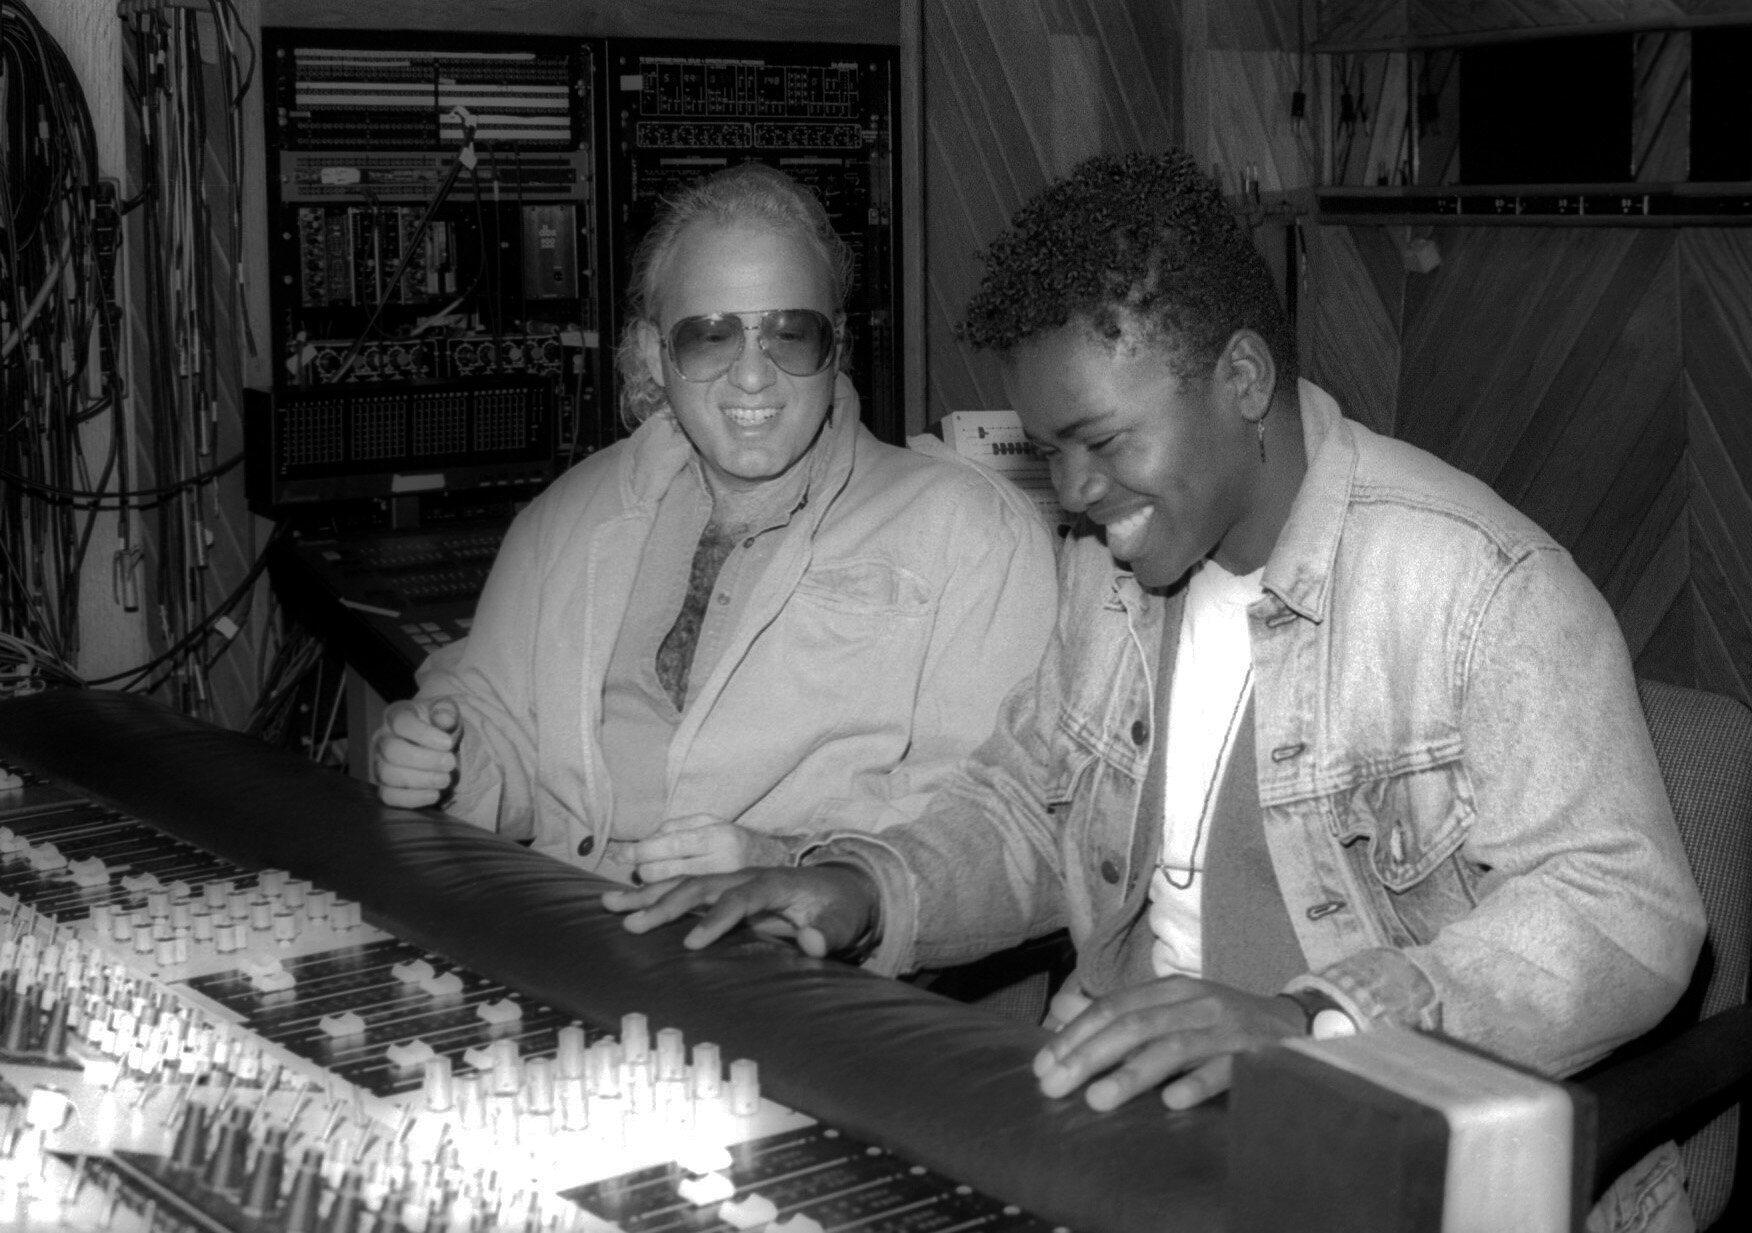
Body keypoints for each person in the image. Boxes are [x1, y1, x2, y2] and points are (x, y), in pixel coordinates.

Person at [604, 151, 1707, 1228]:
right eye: (1048, 453)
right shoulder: (1115, 574)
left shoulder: (1480, 588)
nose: (1075, 494)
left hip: (1404, 1158)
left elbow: (1628, 913)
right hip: (1148, 1136)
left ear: (1240, 380)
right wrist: (864, 889)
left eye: (1101, 441)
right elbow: (1027, 812)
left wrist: (1310, 1026)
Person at [371, 163, 1057, 886]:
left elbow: (997, 818)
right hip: (567, 936)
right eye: (709, 337)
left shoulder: (970, 533)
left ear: (838, 345)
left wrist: (796, 867)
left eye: (791, 335)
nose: (753, 375)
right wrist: (446, 763)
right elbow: (500, 735)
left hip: (794, 975)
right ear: (652, 353)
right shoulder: (563, 516)